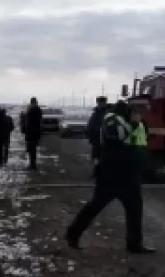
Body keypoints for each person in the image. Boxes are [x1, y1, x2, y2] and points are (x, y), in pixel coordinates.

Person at [65, 101, 153, 254]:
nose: (143, 112)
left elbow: (139, 142)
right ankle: (72, 234)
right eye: (140, 108)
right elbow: (118, 137)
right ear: (131, 108)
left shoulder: (135, 121)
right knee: (95, 206)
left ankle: (134, 244)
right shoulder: (112, 118)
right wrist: (133, 124)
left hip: (129, 173)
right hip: (111, 174)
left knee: (135, 210)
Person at [85, 97, 109, 178]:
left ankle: (103, 173)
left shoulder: (108, 114)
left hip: (106, 140)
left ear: (105, 103)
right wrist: (89, 133)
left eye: (102, 103)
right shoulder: (95, 113)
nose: (100, 104)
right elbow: (90, 124)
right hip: (96, 140)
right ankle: (97, 172)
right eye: (99, 103)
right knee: (96, 157)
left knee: (104, 157)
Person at [23, 98, 44, 171]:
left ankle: (33, 165)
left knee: (32, 150)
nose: (32, 104)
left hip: (33, 133)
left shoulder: (35, 111)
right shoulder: (34, 110)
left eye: (33, 103)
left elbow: (33, 122)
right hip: (32, 133)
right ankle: (32, 164)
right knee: (31, 150)